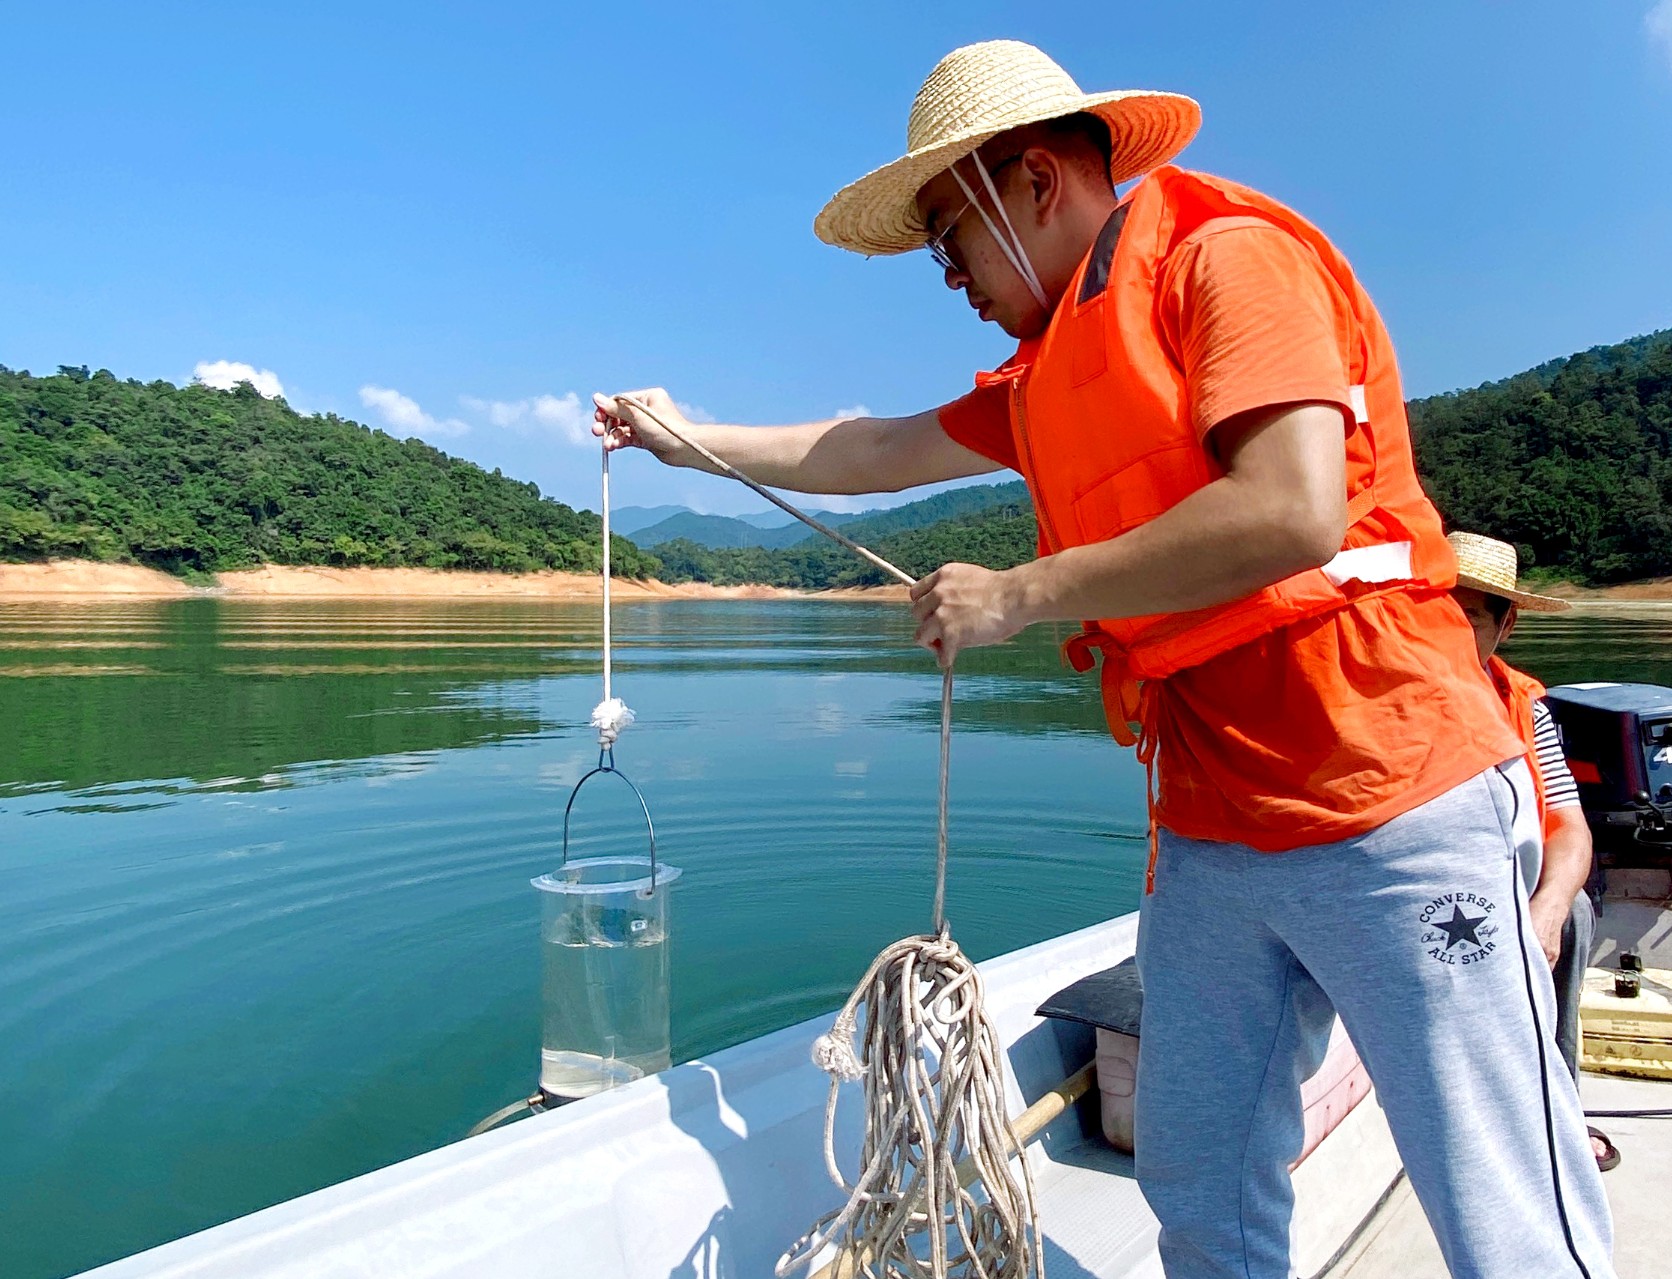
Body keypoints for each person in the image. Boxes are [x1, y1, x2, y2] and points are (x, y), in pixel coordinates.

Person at [595, 40, 1615, 1279]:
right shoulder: (1042, 376)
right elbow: (863, 449)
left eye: (947, 239)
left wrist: (1020, 592)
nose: (948, 278)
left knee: (1496, 1188)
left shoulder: (1225, 261)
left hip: (1390, 794)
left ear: (1030, 182)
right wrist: (684, 441)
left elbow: (1289, 507)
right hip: (1210, 826)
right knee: (1198, 1177)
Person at [1448, 530, 1620, 1174]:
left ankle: (1558, 1108)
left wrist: (1547, 907)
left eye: (1466, 618)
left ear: (1506, 624)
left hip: (1508, 891)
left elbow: (1569, 828)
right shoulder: (1384, 696)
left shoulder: (1526, 707)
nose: (1445, 633)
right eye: (1433, 613)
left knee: (1571, 920)